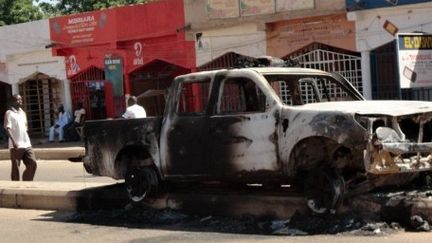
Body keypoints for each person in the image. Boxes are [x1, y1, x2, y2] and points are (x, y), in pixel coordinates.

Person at [3, 94, 37, 181]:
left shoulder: (23, 113)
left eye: (21, 99)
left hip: (26, 144)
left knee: (32, 163)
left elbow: (25, 128)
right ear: (13, 102)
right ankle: (15, 186)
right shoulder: (9, 113)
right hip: (16, 145)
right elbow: (7, 128)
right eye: (18, 100)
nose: (20, 101)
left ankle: (26, 181)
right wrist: (13, 141)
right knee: (16, 168)